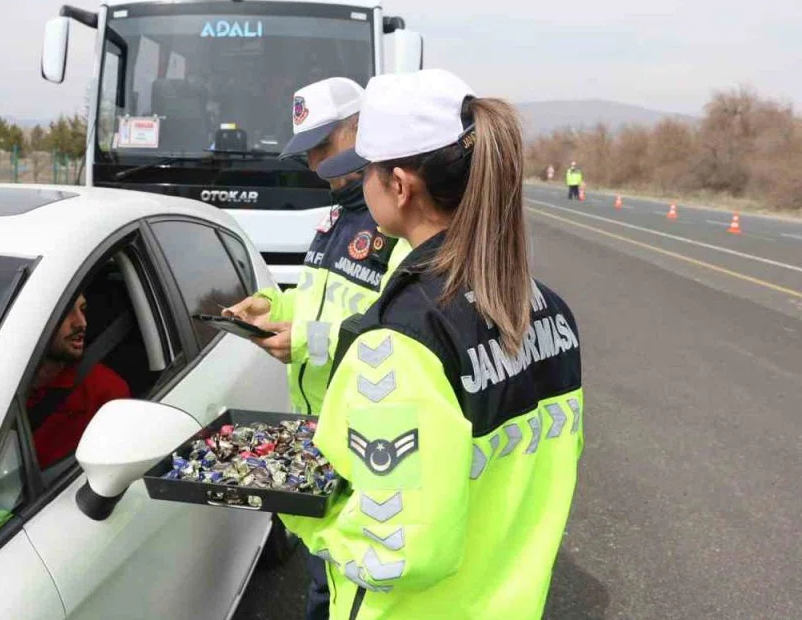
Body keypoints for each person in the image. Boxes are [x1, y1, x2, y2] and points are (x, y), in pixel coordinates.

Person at [280, 68, 584, 619]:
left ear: (399, 185)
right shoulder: (550, 312)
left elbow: (395, 552)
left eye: (364, 170)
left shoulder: (399, 340)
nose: (359, 184)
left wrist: (307, 514)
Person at [224, 76, 410, 620]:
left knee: (344, 590)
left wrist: (307, 341)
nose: (313, 166)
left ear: (361, 130)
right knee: (321, 576)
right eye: (306, 152)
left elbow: (400, 336)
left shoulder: (397, 225)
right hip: (316, 431)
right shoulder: (335, 216)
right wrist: (270, 307)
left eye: (323, 148)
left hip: (367, 438)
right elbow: (320, 300)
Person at [0, 293, 130, 468]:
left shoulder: (106, 390)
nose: (81, 323)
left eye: (83, 310)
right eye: (67, 311)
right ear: (30, 320)